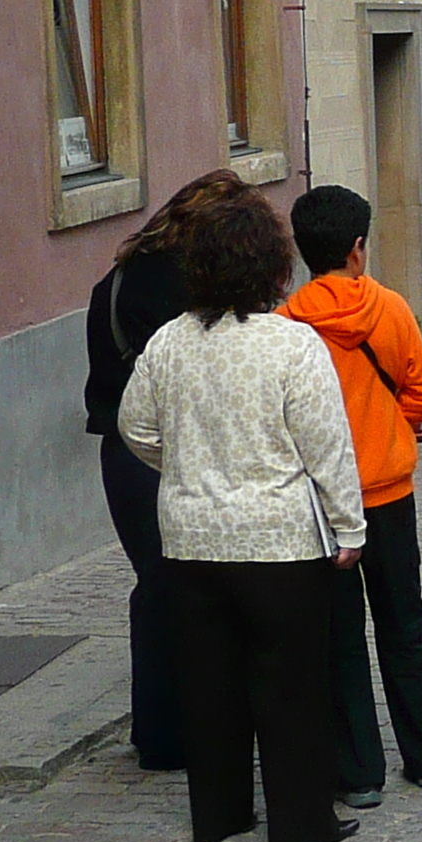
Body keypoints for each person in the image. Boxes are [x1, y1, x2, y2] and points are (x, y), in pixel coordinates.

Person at [113, 181, 365, 842]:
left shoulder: (168, 343)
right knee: (290, 686)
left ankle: (219, 815)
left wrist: (184, 465)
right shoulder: (292, 346)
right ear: (272, 265)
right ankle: (300, 819)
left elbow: (133, 426)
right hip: (279, 541)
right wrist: (349, 528)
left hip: (193, 539)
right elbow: (327, 447)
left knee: (211, 685)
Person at [84, 171, 270, 774]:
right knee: (196, 592)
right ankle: (198, 729)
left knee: (157, 588)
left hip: (121, 451)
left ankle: (160, 732)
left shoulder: (114, 280)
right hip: (170, 448)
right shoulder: (186, 288)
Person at [280, 185, 422, 810]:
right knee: (405, 624)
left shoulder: (287, 326)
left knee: (340, 636)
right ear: (358, 248)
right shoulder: (390, 308)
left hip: (321, 503)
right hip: (388, 492)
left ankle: (358, 772)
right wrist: (389, 428)